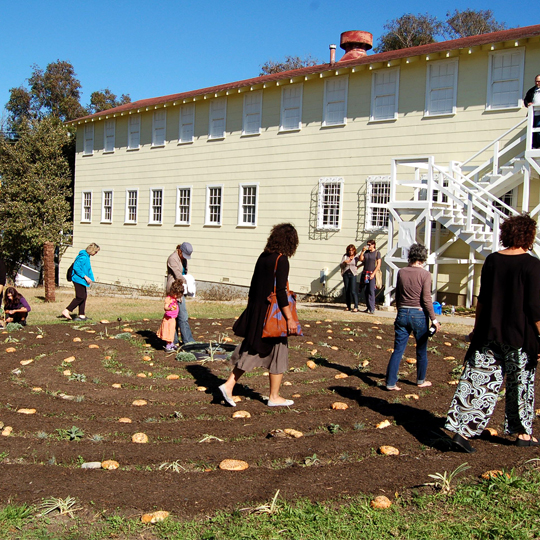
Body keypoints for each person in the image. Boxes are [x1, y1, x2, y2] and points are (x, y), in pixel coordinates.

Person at [445, 214, 540, 453]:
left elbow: (483, 300)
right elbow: (535, 308)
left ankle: (462, 432)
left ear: (506, 234)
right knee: (521, 385)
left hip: (489, 334)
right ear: (529, 236)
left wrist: (477, 330)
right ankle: (522, 434)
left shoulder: (492, 261)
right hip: (520, 337)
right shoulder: (533, 265)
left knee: (479, 383)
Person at [219, 223, 299, 407]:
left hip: (258, 312)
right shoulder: (282, 260)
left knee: (251, 349)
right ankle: (274, 396)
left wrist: (252, 313)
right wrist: (290, 319)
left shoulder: (263, 257)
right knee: (279, 351)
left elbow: (254, 286)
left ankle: (229, 385)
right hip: (273, 317)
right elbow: (280, 292)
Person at [385, 243, 441, 391]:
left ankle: (390, 383)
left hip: (402, 312)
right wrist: (434, 319)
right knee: (421, 350)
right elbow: (427, 299)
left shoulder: (401, 272)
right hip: (419, 315)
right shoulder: (425, 274)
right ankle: (420, 380)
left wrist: (399, 310)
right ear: (423, 258)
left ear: (410, 256)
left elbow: (397, 294)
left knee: (398, 350)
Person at [61, 243, 100, 321]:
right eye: (96, 252)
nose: (96, 253)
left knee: (84, 296)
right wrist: (85, 277)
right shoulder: (83, 257)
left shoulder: (86, 256)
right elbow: (76, 268)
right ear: (92, 250)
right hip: (78, 279)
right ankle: (67, 310)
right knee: (80, 297)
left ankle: (82, 315)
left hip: (81, 279)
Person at [166, 242, 194, 346]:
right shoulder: (172, 258)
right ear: (180, 251)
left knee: (180, 315)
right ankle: (185, 341)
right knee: (179, 315)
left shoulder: (184, 259)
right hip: (174, 290)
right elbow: (178, 275)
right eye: (184, 254)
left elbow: (184, 273)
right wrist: (189, 282)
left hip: (181, 289)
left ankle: (179, 340)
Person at [157, 279, 184, 351]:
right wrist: (170, 308)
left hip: (172, 318)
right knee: (168, 330)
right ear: (172, 291)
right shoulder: (169, 298)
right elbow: (165, 307)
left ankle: (171, 343)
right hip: (168, 318)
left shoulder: (174, 299)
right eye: (176, 294)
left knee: (172, 331)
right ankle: (168, 345)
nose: (176, 296)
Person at [359, 239, 381, 314]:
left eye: (369, 245)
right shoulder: (366, 252)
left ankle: (372, 308)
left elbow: (378, 264)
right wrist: (362, 251)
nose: (368, 246)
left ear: (373, 245)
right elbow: (361, 259)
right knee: (366, 290)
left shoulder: (377, 253)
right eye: (367, 244)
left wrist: (373, 274)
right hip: (365, 273)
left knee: (371, 290)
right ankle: (368, 307)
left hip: (372, 273)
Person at [340, 244, 360, 312]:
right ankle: (348, 306)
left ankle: (356, 306)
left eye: (352, 250)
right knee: (347, 290)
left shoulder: (356, 256)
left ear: (354, 250)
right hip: (346, 274)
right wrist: (344, 263)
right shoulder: (345, 256)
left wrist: (358, 266)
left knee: (353, 290)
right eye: (349, 250)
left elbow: (362, 260)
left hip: (353, 274)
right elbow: (341, 265)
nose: (351, 252)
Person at [524, 74, 540, 149]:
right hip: (534, 114)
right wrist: (528, 104)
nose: (537, 83)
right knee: (534, 130)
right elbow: (526, 100)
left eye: (539, 81)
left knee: (538, 130)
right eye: (536, 81)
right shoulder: (532, 91)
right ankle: (535, 146)